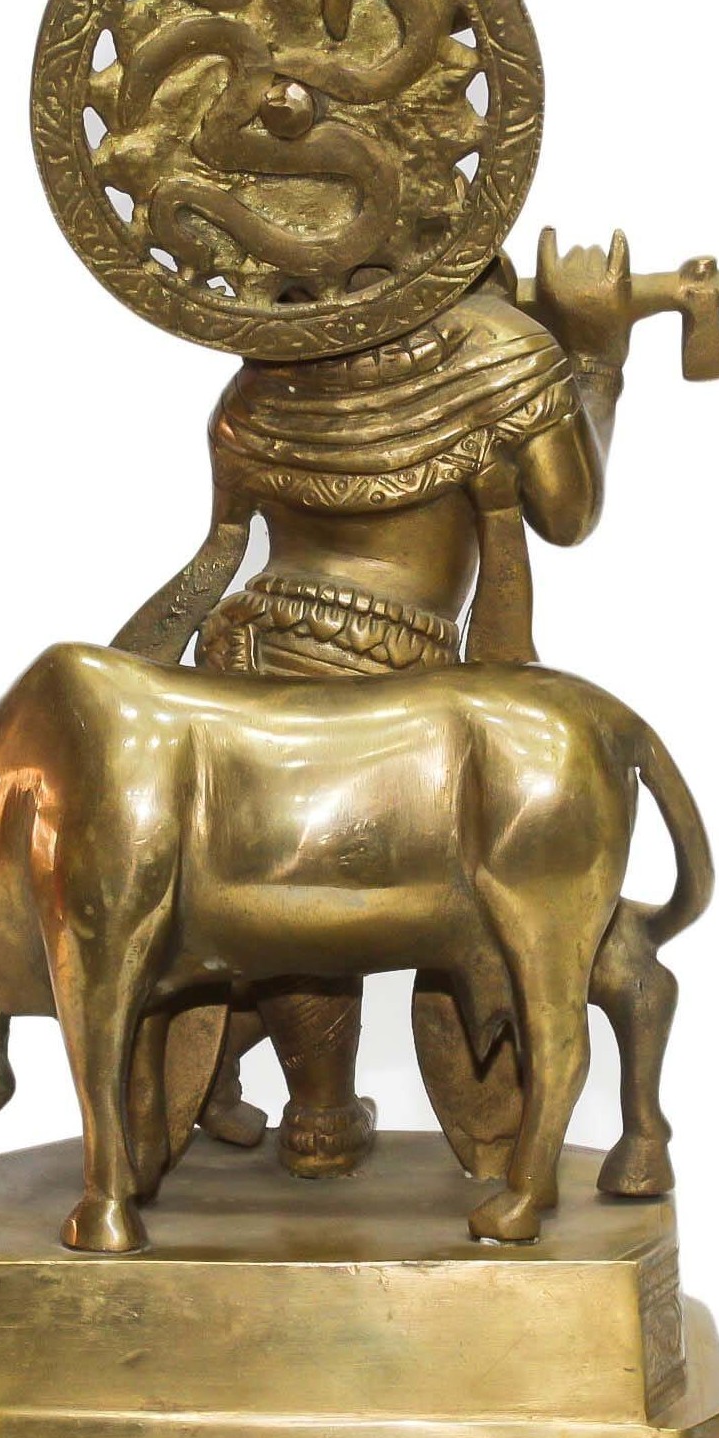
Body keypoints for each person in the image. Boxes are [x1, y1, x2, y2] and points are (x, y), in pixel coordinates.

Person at [112, 233, 634, 1175]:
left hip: (254, 655)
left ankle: (311, 1103)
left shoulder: (260, 383)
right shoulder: (500, 352)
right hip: (403, 681)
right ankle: (319, 1107)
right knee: (345, 889)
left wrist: (129, 673)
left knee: (277, 891)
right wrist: (594, 355)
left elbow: (220, 554)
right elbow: (568, 513)